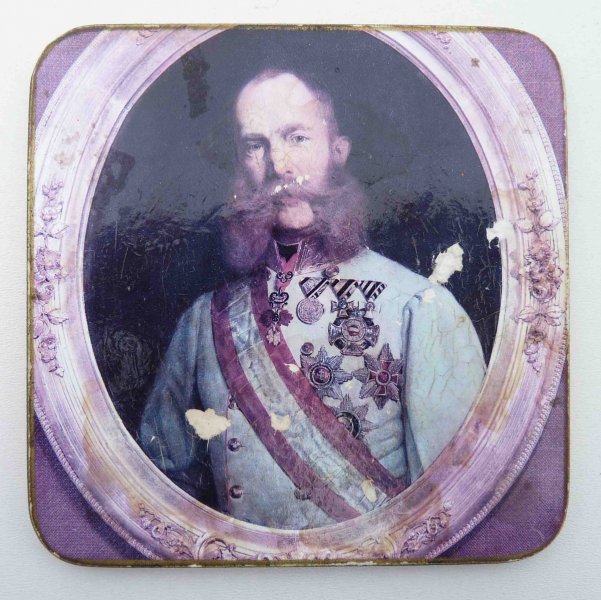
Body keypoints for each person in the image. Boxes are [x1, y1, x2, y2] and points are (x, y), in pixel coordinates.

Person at [139, 69, 485, 529]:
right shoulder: (204, 321)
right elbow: (158, 495)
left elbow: (450, 513)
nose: (278, 165)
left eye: (297, 138)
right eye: (256, 145)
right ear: (240, 162)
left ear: (338, 151)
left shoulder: (418, 308)